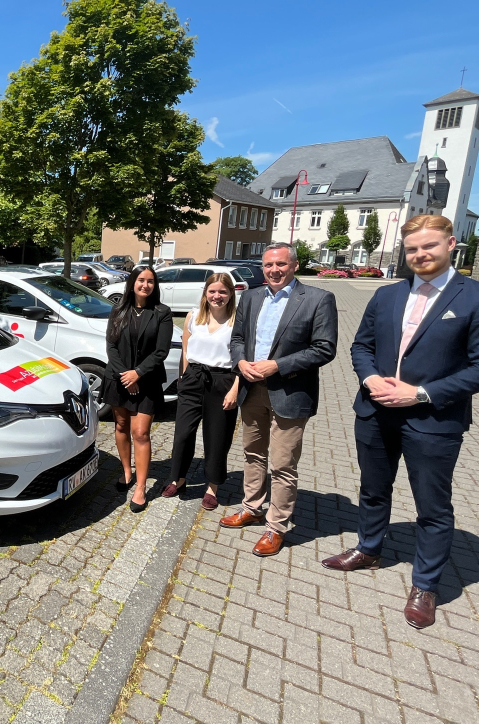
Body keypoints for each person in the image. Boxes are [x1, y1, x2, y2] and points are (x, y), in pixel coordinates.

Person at [322, 215, 479, 629]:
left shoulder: (473, 297)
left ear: (450, 244)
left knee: (432, 507)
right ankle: (369, 548)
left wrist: (420, 393)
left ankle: (425, 584)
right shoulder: (387, 295)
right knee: (374, 489)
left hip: (433, 419)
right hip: (375, 412)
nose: (420, 254)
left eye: (429, 246)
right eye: (412, 249)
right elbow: (361, 347)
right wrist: (371, 378)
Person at [219, 242, 338, 556]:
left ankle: (276, 528)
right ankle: (252, 507)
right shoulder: (252, 296)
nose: (274, 270)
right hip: (252, 387)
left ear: (294, 265)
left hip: (290, 391)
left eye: (281, 264)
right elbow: (238, 338)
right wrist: (240, 362)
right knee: (252, 453)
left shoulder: (318, 299)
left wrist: (278, 365)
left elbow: (324, 348)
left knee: (283, 463)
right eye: (268, 265)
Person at [162, 273, 241, 511]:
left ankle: (212, 487)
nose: (217, 296)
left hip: (223, 381)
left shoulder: (238, 321)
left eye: (223, 292)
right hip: (194, 378)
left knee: (217, 437)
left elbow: (243, 358)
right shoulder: (193, 317)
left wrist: (236, 389)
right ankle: (179, 478)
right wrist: (184, 378)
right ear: (205, 293)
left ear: (231, 294)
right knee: (183, 433)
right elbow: (186, 349)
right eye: (213, 291)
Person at [99, 267, 173, 513]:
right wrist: (125, 375)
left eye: (150, 281)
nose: (146, 285)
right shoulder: (119, 309)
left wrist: (137, 373)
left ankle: (141, 487)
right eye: (141, 280)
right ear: (132, 283)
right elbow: (111, 345)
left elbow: (161, 351)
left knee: (140, 432)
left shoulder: (162, 313)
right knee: (120, 425)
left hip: (147, 380)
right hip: (118, 378)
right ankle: (127, 472)